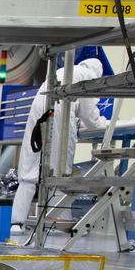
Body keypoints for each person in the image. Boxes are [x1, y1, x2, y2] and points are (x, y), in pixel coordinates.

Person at [10, 47, 112, 237]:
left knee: (29, 170)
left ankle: (17, 223)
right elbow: (91, 118)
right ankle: (56, 220)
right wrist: (105, 123)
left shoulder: (63, 71)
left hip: (40, 111)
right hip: (58, 115)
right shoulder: (89, 77)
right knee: (59, 169)